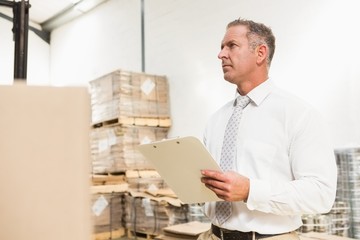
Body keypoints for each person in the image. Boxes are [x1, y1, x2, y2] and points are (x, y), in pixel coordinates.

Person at [198, 18, 337, 240]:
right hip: (212, 235)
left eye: (231, 46)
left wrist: (251, 191)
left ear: (260, 53)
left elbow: (321, 194)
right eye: (221, 47)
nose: (221, 54)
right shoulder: (216, 119)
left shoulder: (298, 115)